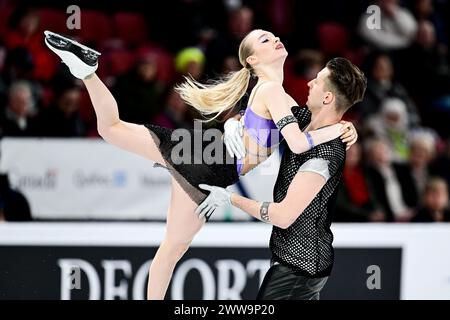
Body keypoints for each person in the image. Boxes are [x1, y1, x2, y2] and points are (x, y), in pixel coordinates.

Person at [43, 30, 357, 300]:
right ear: (252, 60)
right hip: (210, 161)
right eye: (264, 39)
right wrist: (339, 129)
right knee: (171, 246)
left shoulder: (274, 93)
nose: (275, 39)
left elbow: (278, 124)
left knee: (112, 132)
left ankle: (87, 71)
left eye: (272, 36)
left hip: (204, 153)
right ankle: (87, 71)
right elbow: (301, 142)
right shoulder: (273, 90)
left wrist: (236, 121)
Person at [197, 57, 367, 300]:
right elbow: (261, 111)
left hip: (300, 268)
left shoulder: (326, 153)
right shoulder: (303, 120)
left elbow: (283, 216)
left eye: (317, 82)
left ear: (328, 97)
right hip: (297, 262)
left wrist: (229, 199)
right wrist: (233, 124)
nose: (309, 83)